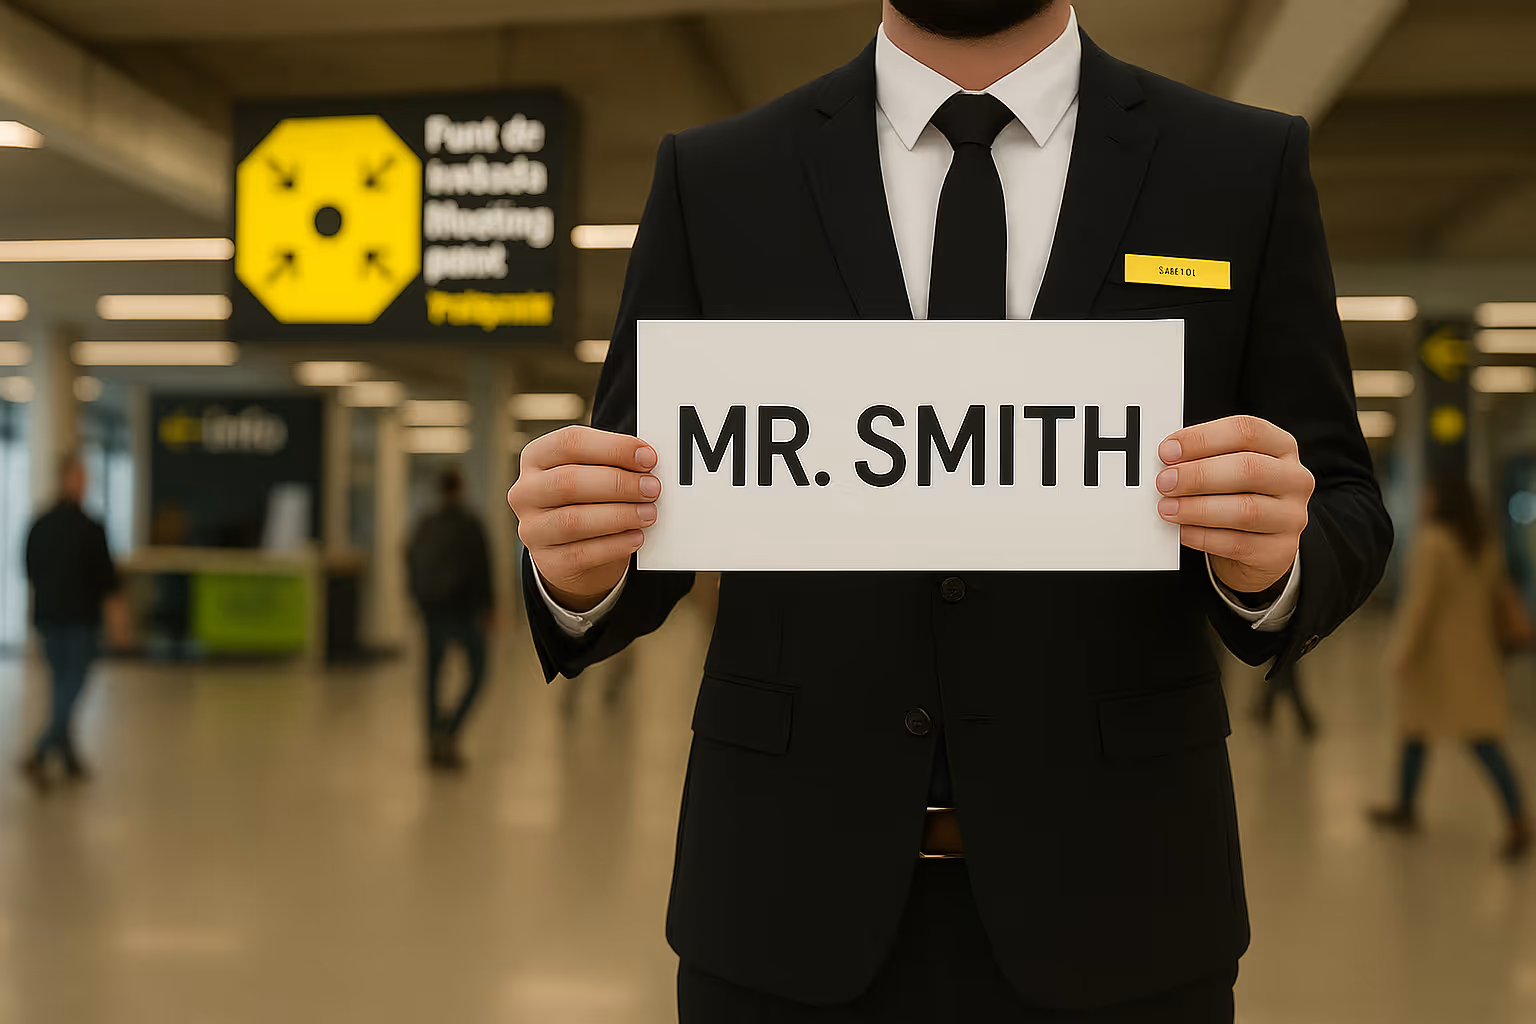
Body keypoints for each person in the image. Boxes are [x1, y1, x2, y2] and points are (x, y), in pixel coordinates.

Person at [508, 1, 1393, 1020]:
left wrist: (1275, 561)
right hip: (783, 907)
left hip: (1126, 906)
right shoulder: (717, 180)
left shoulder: (1239, 167)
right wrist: (581, 566)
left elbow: (1348, 502)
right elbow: (652, 506)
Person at [1370, 476, 1531, 862]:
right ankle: (1412, 806)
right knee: (1449, 734)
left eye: (1428, 491)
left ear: (1441, 498)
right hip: (1477, 659)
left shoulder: (1434, 543)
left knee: (1443, 733)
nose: (1424, 497)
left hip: (1436, 661)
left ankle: (1519, 822)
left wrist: (1402, 652)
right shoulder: (1483, 542)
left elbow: (1420, 605)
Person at [20, 455, 126, 789]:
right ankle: (41, 750)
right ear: (66, 479)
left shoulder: (40, 524)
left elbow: (28, 568)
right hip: (77, 619)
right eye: (80, 476)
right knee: (71, 685)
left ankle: (68, 758)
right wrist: (118, 619)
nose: (84, 482)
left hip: (50, 616)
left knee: (61, 687)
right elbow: (107, 579)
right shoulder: (90, 528)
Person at [407, 466, 494, 771]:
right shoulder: (471, 524)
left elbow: (409, 562)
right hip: (465, 613)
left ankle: (434, 738)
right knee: (479, 673)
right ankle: (450, 729)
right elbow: (483, 569)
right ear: (461, 488)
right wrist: (489, 608)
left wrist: (417, 603)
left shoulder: (425, 524)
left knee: (432, 678)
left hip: (433, 613)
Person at [1254, 656, 1318, 738]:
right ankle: (1307, 724)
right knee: (1281, 687)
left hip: (1283, 659)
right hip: (1284, 658)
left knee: (1280, 685)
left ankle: (1307, 724)